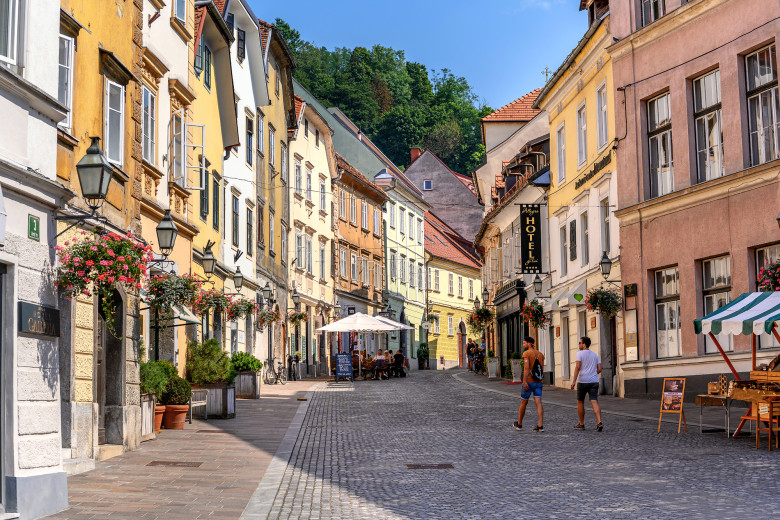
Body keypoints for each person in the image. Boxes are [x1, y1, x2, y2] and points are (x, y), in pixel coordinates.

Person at [570, 336, 603, 432]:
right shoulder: (595, 355)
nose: (579, 345)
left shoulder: (579, 354)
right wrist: (592, 373)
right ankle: (599, 421)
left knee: (580, 402)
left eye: (580, 343)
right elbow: (600, 369)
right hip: (594, 381)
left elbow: (577, 367)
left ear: (584, 344)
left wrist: (573, 381)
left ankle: (581, 424)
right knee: (594, 401)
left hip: (583, 381)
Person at [514, 337, 545, 432]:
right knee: (538, 402)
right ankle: (540, 425)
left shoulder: (526, 353)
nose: (523, 345)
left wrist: (524, 380)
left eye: (524, 343)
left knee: (524, 402)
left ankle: (519, 424)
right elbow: (541, 369)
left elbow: (526, 368)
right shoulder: (540, 354)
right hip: (538, 382)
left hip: (529, 381)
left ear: (529, 344)